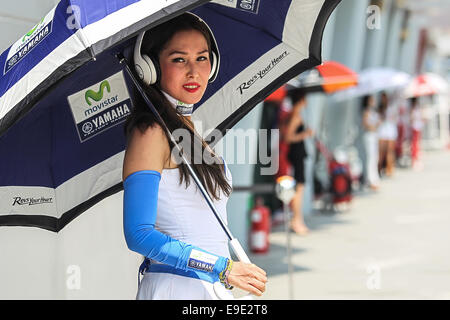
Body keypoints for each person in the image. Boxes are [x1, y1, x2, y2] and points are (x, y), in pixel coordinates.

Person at [122, 13, 267, 300]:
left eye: (202, 58)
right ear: (149, 68)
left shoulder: (190, 129)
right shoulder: (150, 132)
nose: (194, 71)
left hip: (208, 288)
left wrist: (225, 271)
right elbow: (138, 234)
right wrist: (223, 268)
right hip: (176, 288)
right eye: (179, 59)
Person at [283, 89, 313, 235]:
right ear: (301, 100)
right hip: (296, 155)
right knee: (298, 190)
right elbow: (288, 137)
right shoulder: (296, 116)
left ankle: (296, 220)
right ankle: (297, 220)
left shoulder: (294, 114)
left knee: (298, 189)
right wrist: (305, 134)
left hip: (297, 154)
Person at [361, 95, 380, 190]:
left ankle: (375, 178)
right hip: (369, 136)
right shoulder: (366, 112)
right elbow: (365, 124)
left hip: (374, 135)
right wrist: (373, 127)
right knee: (370, 158)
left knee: (375, 157)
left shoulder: (374, 112)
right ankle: (370, 179)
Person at [377, 92, 398, 177]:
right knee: (381, 152)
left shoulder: (391, 108)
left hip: (390, 131)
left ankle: (390, 169)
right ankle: (379, 169)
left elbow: (394, 118)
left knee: (390, 151)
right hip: (382, 132)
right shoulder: (379, 109)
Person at [409, 97, 424, 170]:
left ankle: (417, 159)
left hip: (418, 127)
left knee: (417, 144)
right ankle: (414, 160)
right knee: (415, 144)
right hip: (415, 127)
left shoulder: (418, 108)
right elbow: (411, 119)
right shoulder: (413, 109)